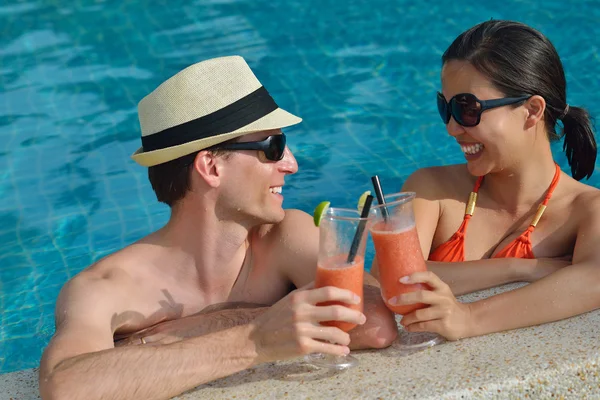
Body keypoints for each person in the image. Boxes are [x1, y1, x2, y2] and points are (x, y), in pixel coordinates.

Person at [39, 56, 397, 400]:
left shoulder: (286, 237)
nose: (292, 164)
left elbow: (377, 322)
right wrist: (253, 341)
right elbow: (66, 387)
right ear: (211, 167)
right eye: (274, 147)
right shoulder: (105, 289)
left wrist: (212, 329)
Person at [372, 20, 600, 341]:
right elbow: (390, 276)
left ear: (532, 111)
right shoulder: (432, 190)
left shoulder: (587, 209)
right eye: (446, 108)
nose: (452, 128)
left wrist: (468, 318)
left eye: (467, 109)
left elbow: (595, 278)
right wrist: (520, 269)